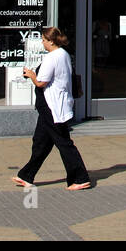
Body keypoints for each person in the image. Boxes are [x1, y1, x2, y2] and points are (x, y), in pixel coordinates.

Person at [13, 27, 91, 190]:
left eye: (43, 39)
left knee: (63, 142)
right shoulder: (64, 54)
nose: (41, 42)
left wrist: (30, 74)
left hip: (51, 105)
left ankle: (80, 177)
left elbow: (41, 82)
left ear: (51, 41)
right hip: (55, 104)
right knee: (41, 142)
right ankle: (26, 176)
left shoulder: (52, 57)